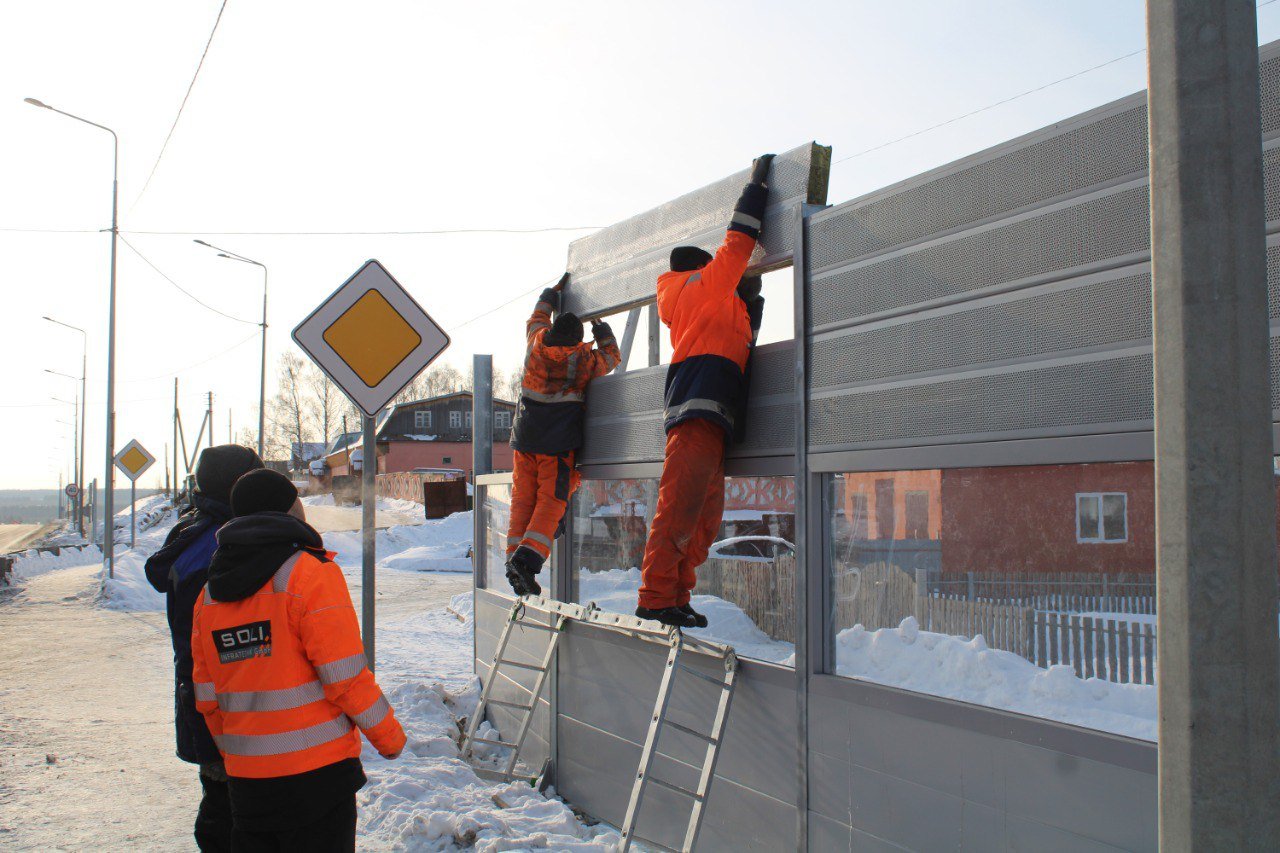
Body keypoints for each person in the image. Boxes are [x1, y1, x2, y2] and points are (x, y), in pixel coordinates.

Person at [191, 469, 406, 851]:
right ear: (291, 509)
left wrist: (237, 752)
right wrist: (389, 738)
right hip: (318, 779)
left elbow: (207, 696)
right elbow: (345, 677)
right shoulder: (309, 574)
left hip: (248, 785)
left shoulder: (209, 595)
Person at [635, 154, 774, 628]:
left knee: (701, 518)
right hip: (698, 415)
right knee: (679, 510)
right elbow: (736, 247)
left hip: (710, 417)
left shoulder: (710, 301)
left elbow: (739, 339)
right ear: (701, 268)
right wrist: (756, 190)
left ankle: (674, 595)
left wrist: (750, 308)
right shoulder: (700, 285)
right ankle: (656, 597)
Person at [145, 443, 264, 851]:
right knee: (232, 821)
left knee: (229, 813)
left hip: (223, 714)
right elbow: (205, 655)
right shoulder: (218, 549)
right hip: (224, 718)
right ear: (237, 487)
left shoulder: (204, 535)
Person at [505, 274, 622, 595]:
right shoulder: (581, 359)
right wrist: (603, 332)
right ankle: (526, 562)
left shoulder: (535, 342)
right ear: (577, 340)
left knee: (523, 500)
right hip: (556, 446)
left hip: (524, 439)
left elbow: (536, 317)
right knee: (550, 502)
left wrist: (549, 293)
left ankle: (513, 558)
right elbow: (612, 357)